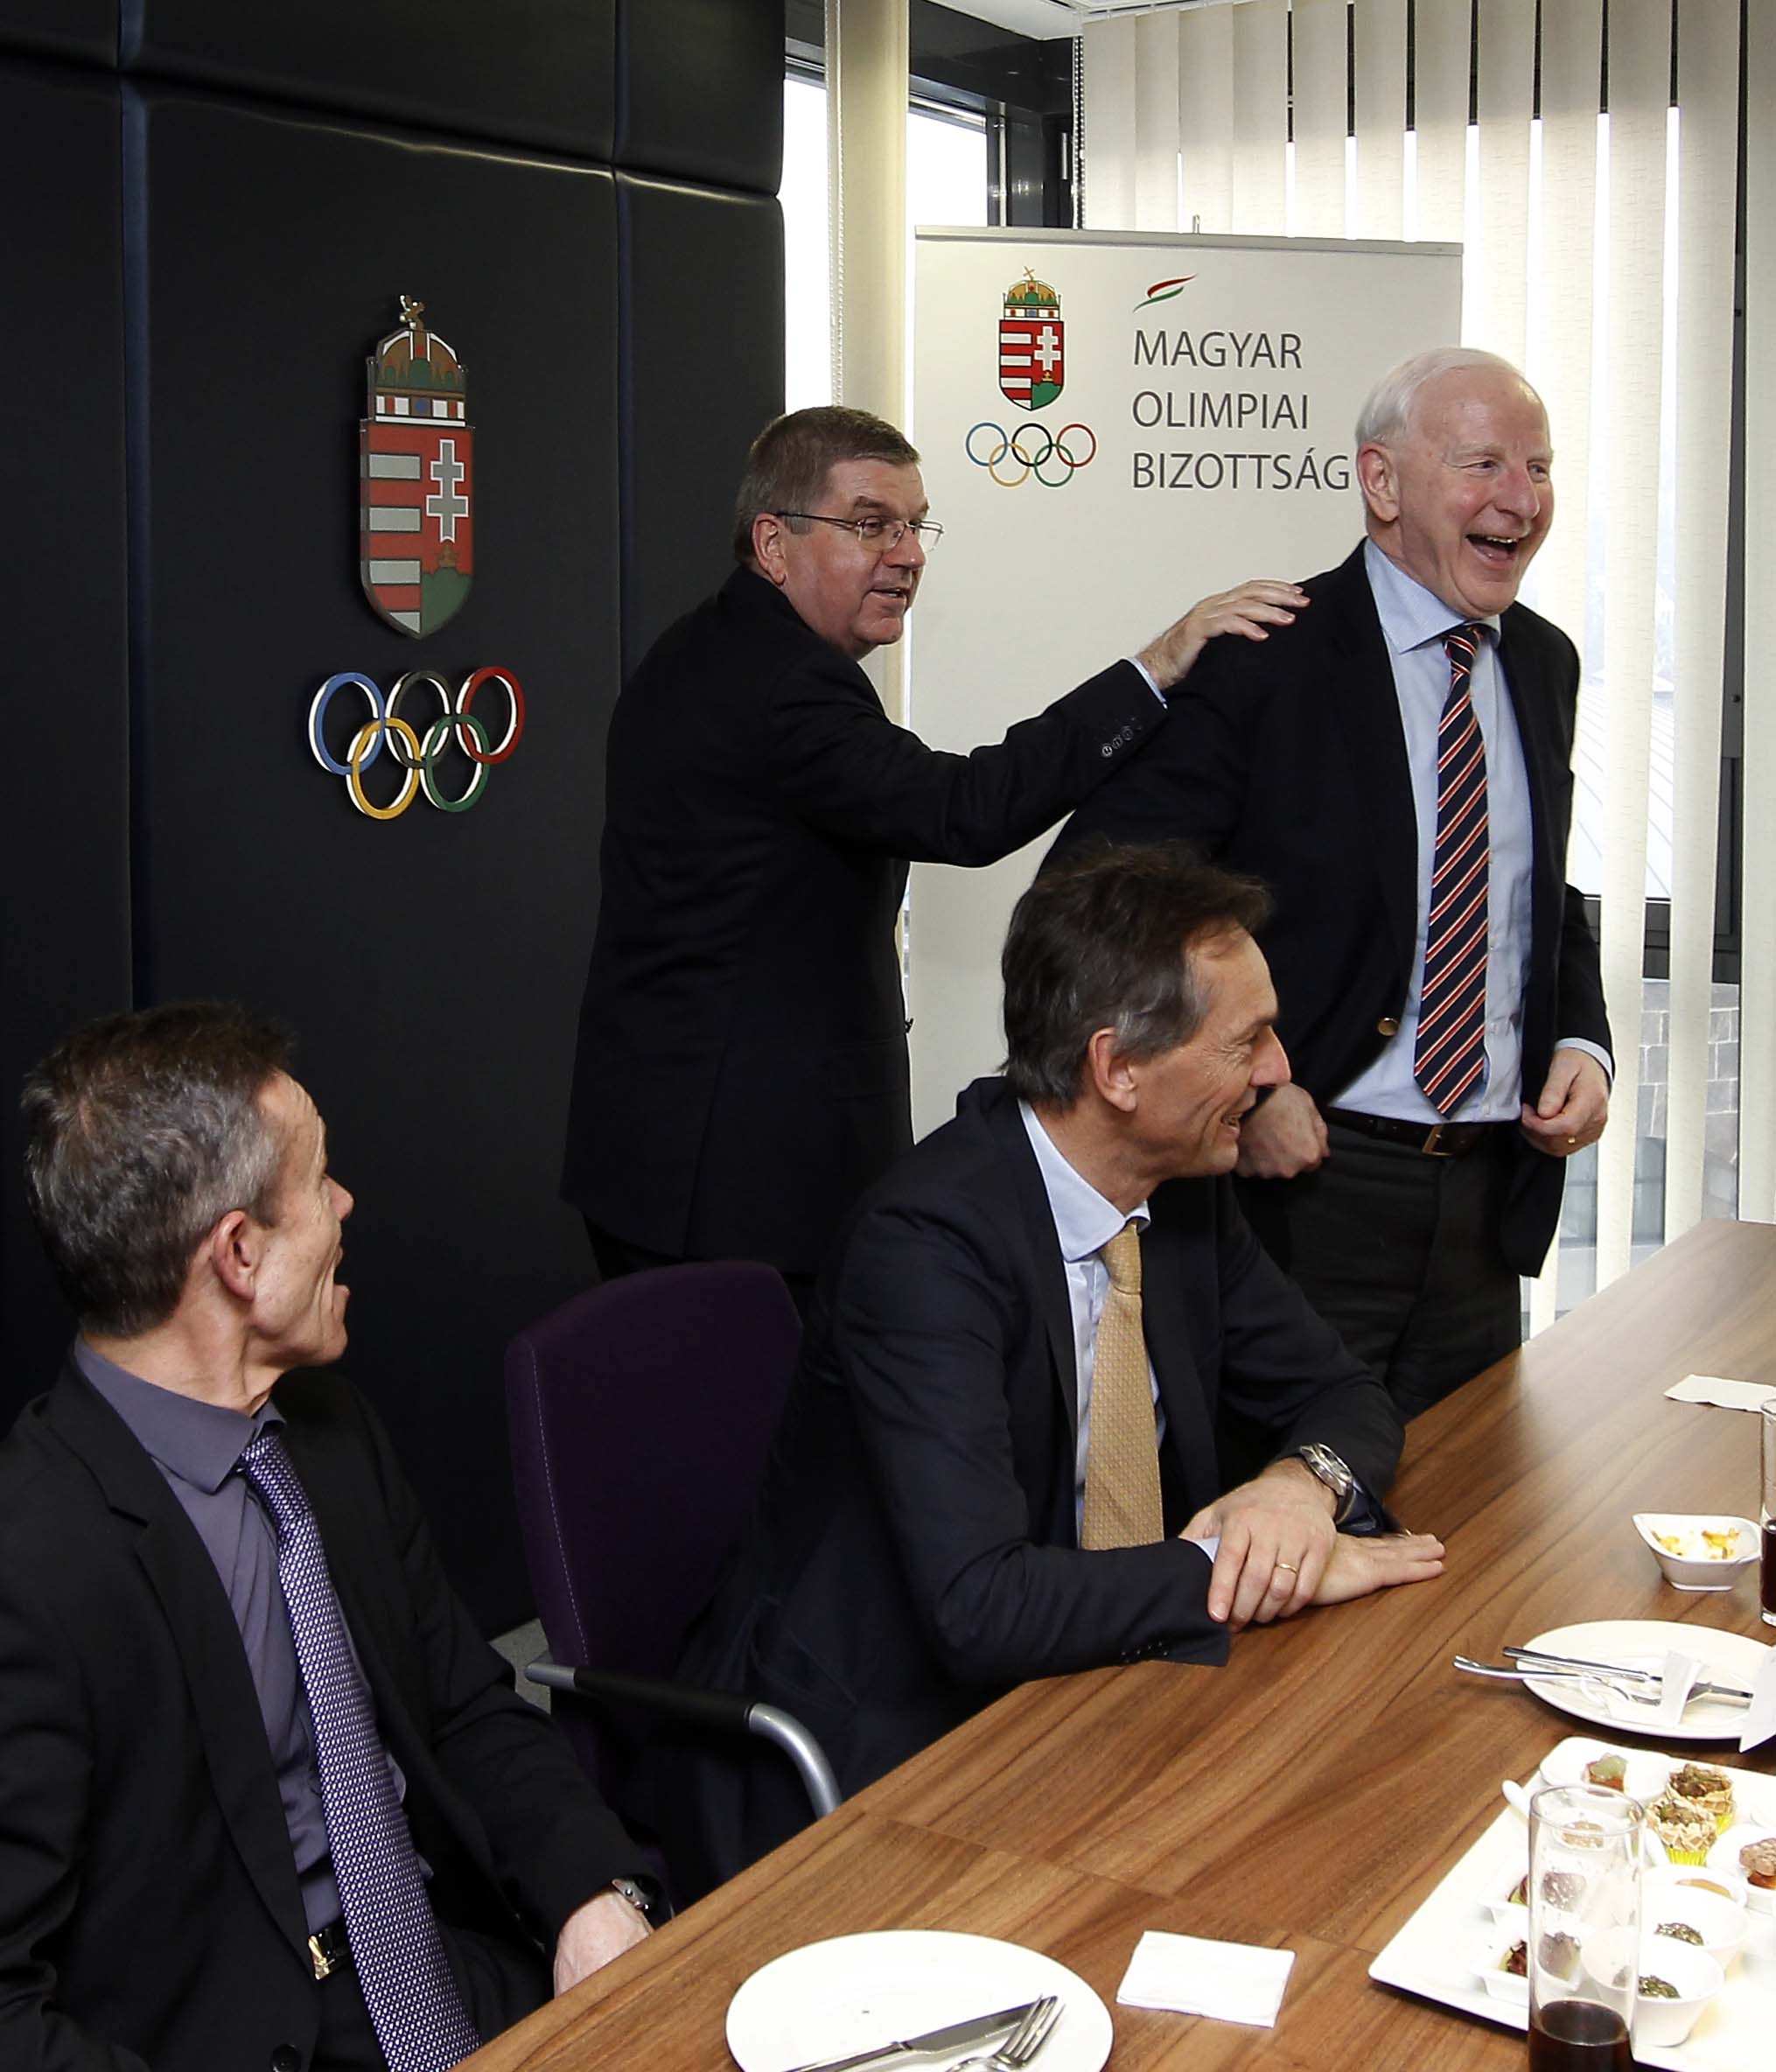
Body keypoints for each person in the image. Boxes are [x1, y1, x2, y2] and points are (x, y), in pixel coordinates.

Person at [664, 844, 1444, 1893]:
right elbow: (978, 1605)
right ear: (1116, 1068)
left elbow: (1343, 1393)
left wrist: (1298, 1492)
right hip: (893, 1753)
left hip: (1099, 1689)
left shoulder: (1181, 1192)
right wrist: (1251, 1573)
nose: (1276, 1069)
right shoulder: (926, 1244)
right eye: (1245, 1040)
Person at [0, 1002, 654, 2072]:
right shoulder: (33, 1564)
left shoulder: (327, 1431)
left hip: (449, 1970)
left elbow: (463, 1710)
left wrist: (592, 1894)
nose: (345, 1203)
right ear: (239, 1252)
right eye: (318, 1179)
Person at [561, 404, 1306, 1306]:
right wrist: (1156, 666)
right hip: (734, 1180)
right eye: (870, 524)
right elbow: (966, 810)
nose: (908, 553)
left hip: (669, 1153)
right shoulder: (786, 685)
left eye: (915, 526)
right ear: (774, 543)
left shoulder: (711, 645)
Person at [1051, 347, 1612, 1418]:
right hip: (1303, 1200)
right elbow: (1096, 893)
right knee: (1288, 1506)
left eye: (1537, 467)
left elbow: (1532, 887)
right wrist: (1244, 1088)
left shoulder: (1542, 662)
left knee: (1465, 1511)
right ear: (1381, 481)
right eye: (1483, 465)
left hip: (1486, 1205)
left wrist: (1581, 1039)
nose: (1521, 499)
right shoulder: (1267, 656)